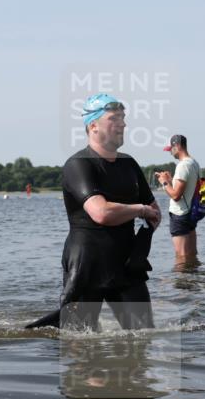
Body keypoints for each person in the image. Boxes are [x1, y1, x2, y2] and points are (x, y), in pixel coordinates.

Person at [59, 93, 161, 330]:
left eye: (123, 118)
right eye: (114, 118)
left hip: (126, 264)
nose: (123, 124)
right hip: (86, 263)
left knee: (143, 335)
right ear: (93, 125)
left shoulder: (129, 164)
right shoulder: (78, 164)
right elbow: (100, 212)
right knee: (78, 341)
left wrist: (147, 216)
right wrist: (140, 210)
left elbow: (154, 211)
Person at [154, 134, 200, 261]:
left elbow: (176, 195)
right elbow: (188, 189)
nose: (170, 153)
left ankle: (181, 280)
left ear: (177, 146)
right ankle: (193, 279)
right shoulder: (194, 163)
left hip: (180, 215)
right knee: (191, 255)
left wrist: (164, 182)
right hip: (190, 213)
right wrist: (170, 180)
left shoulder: (182, 165)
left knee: (181, 257)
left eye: (171, 149)